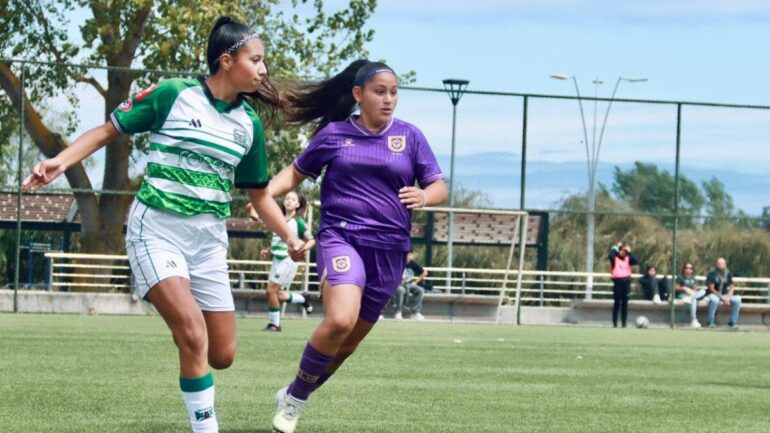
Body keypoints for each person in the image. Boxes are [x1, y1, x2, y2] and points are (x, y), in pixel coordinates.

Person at [22, 17, 305, 433]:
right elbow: (106, 131)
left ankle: (185, 329)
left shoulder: (249, 125)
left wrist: (290, 236)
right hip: (155, 230)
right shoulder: (174, 94)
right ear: (226, 61)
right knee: (193, 333)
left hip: (208, 242)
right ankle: (205, 425)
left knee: (221, 354)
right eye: (256, 59)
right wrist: (59, 162)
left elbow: (259, 196)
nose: (263, 70)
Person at [259, 59, 448, 433]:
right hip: (341, 238)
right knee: (340, 320)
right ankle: (294, 405)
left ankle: (294, 393)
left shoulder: (411, 137)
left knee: (346, 346)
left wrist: (424, 196)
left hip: (391, 251)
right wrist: (261, 195)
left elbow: (439, 186)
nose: (389, 99)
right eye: (380, 92)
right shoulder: (334, 135)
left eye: (394, 92)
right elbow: (294, 173)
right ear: (358, 95)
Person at [250, 191, 316, 331]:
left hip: (288, 260)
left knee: (270, 291)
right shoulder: (278, 219)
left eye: (293, 199)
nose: (289, 201)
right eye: (287, 198)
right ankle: (303, 298)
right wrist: (268, 250)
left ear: (298, 204)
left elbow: (311, 240)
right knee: (275, 295)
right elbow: (279, 239)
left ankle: (275, 325)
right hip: (276, 259)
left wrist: (302, 250)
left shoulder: (298, 222)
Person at [608, 242, 639, 328]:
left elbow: (636, 260)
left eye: (625, 252)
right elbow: (610, 255)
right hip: (617, 282)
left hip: (626, 282)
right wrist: (615, 247)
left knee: (625, 303)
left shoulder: (628, 259)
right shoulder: (615, 258)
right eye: (622, 251)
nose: (623, 253)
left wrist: (630, 252)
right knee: (617, 303)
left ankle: (624, 324)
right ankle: (615, 324)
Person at [705, 257, 741, 329]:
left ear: (725, 264)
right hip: (714, 294)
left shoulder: (728, 273)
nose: (721, 265)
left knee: (737, 299)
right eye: (719, 263)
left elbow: (731, 287)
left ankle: (732, 322)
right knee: (714, 300)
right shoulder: (712, 274)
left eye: (722, 263)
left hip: (725, 294)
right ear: (716, 264)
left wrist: (729, 297)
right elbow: (711, 289)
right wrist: (722, 298)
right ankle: (710, 322)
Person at [393, 251, 427, 320]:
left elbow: (424, 272)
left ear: (411, 256)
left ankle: (415, 313)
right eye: (406, 255)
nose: (407, 257)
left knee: (420, 290)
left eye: (409, 255)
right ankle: (398, 312)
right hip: (399, 284)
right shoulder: (398, 263)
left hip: (409, 284)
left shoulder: (413, 264)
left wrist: (416, 282)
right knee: (401, 290)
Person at [675, 262, 706, 328]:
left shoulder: (693, 278)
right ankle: (694, 320)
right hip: (682, 295)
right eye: (687, 268)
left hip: (691, 296)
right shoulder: (680, 277)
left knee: (703, 291)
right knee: (694, 300)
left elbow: (694, 289)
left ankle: (691, 298)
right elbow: (676, 288)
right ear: (684, 269)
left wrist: (692, 293)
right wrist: (683, 288)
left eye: (690, 268)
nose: (689, 270)